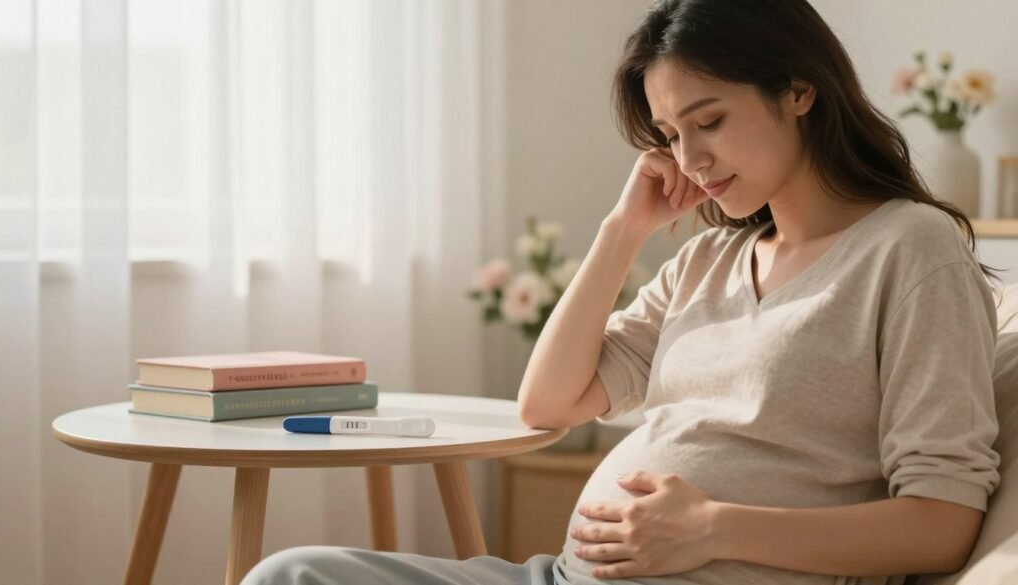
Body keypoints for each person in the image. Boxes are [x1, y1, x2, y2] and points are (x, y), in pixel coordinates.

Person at [242, 0, 1004, 583]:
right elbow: (548, 402)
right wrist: (622, 230)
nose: (691, 158)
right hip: (563, 575)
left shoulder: (910, 249)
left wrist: (715, 526)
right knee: (293, 573)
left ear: (799, 91)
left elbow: (942, 520)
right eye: (671, 135)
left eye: (708, 121)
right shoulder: (707, 260)